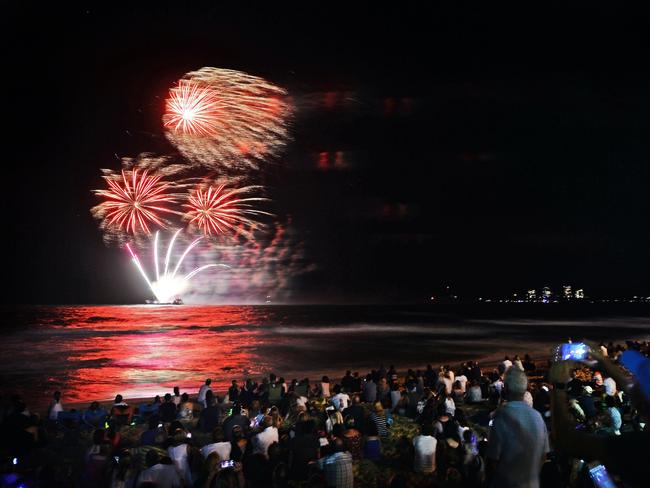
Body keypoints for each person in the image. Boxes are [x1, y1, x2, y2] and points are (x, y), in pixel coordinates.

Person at [486, 367, 549, 488]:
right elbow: (543, 456)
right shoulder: (537, 417)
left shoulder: (501, 416)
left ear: (506, 388)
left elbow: (492, 459)